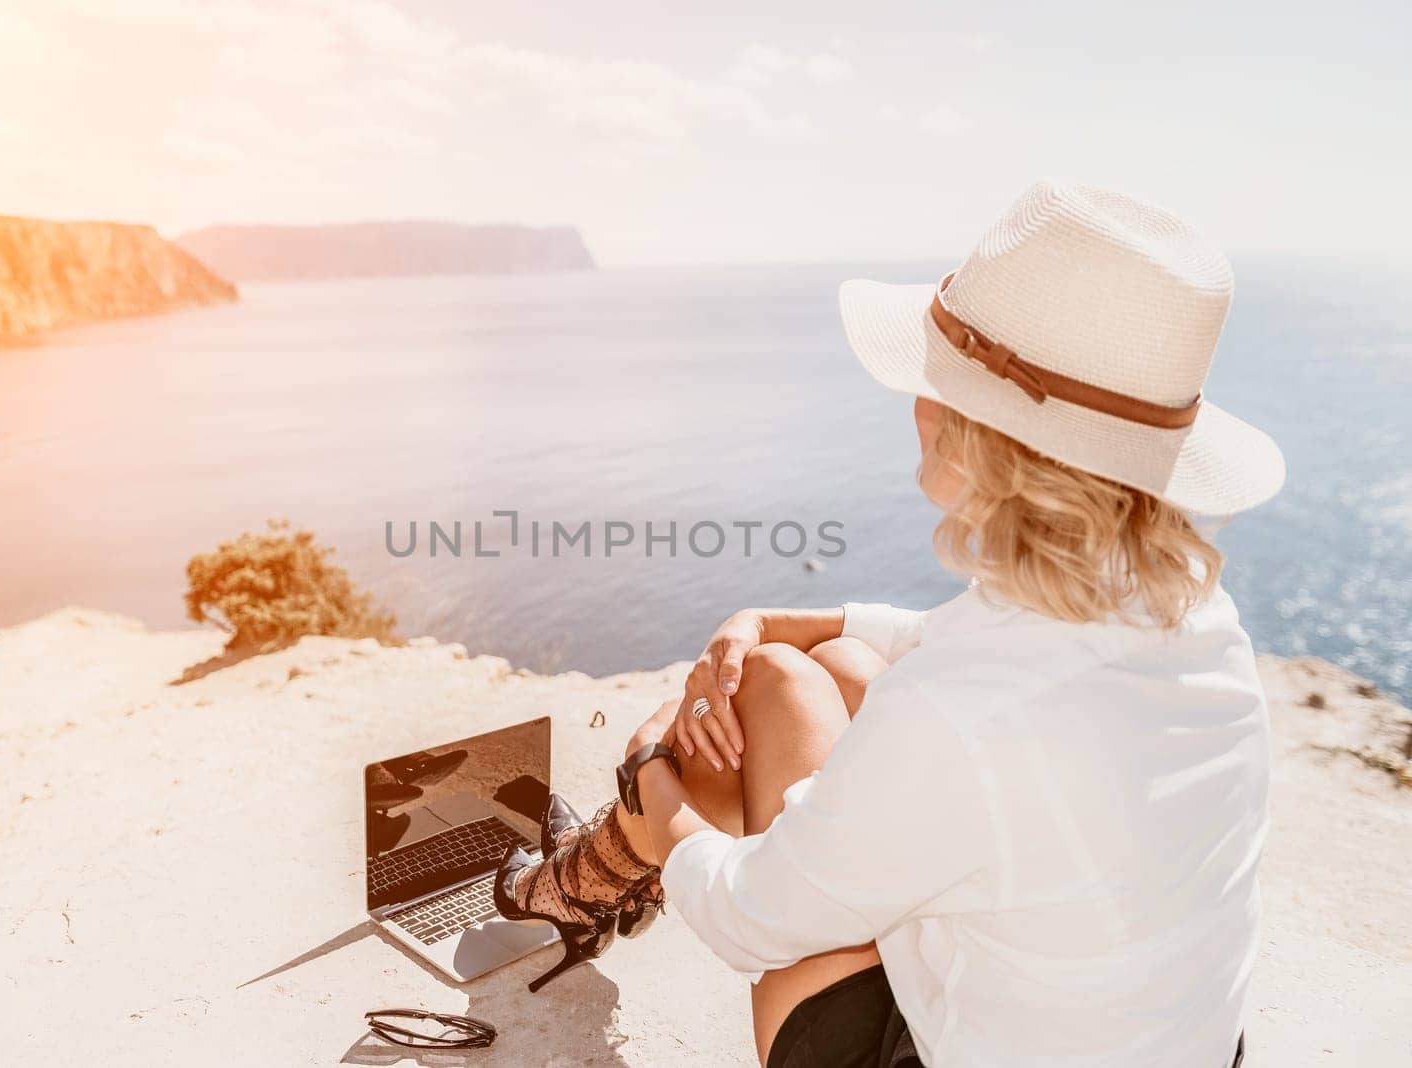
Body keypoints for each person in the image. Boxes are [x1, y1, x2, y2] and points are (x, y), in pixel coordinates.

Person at [494, 181, 1279, 1067]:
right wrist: (775, 618)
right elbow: (965, 651)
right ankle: (596, 874)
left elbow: (750, 921)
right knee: (823, 663)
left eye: (931, 379)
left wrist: (651, 778)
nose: (917, 401)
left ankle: (588, 876)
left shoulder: (961, 714)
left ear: (971, 426)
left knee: (772, 741)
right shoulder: (1198, 616)